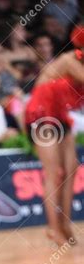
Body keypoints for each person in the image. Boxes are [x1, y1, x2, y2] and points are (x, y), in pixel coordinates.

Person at [25, 25, 84, 247]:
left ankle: (65, 222)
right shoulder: (70, 60)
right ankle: (53, 228)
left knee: (71, 169)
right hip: (41, 115)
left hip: (61, 115)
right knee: (53, 173)